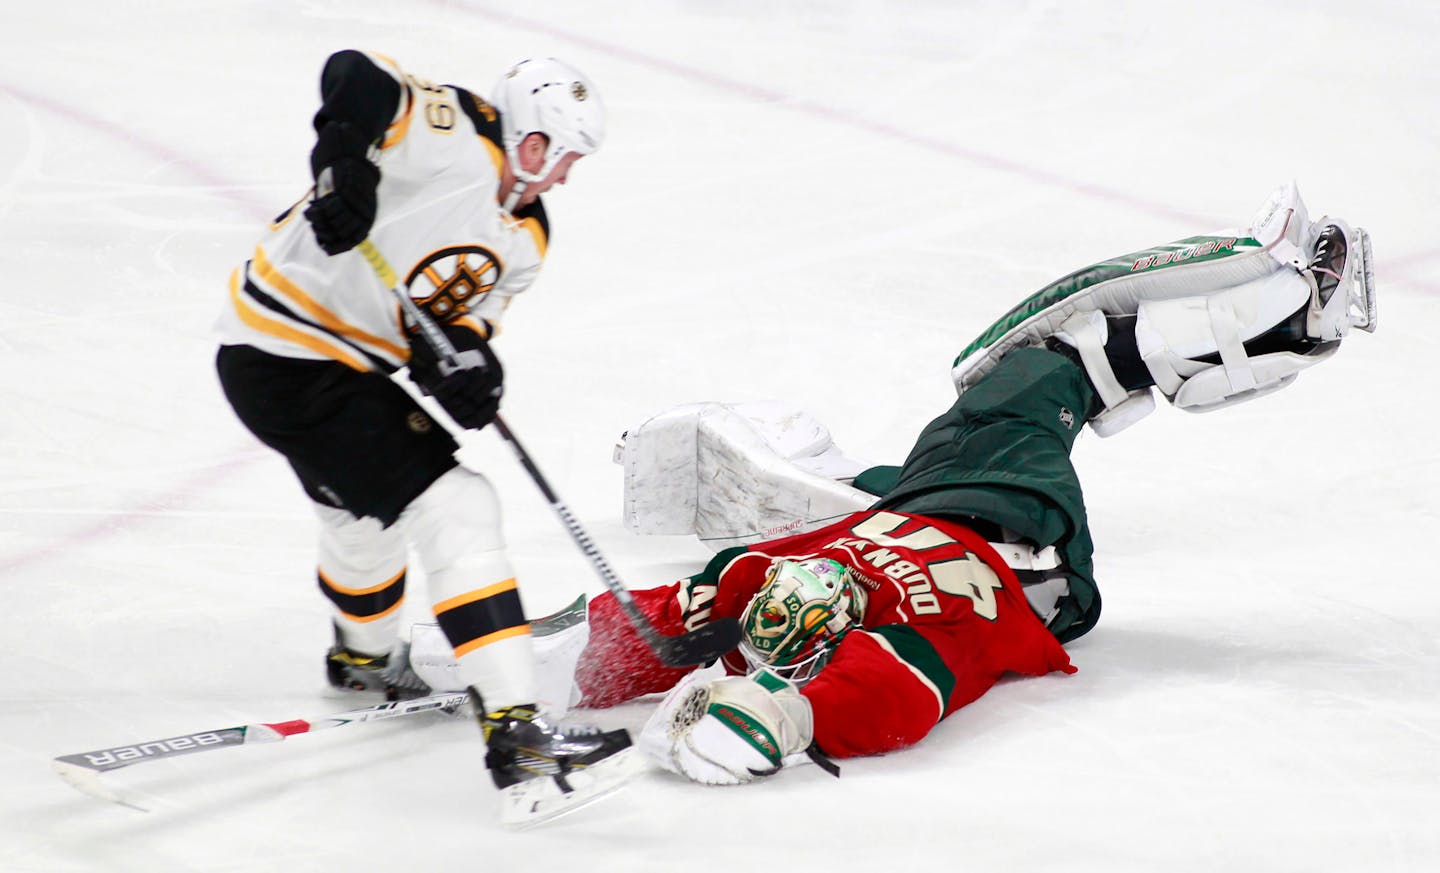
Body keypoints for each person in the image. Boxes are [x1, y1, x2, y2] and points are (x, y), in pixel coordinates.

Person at [570, 183, 1377, 784]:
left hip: (921, 500)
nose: (826, 583)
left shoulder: (759, 589)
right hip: (1013, 534)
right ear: (830, 640)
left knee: (918, 451)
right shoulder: (915, 633)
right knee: (1068, 359)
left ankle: (1265, 318)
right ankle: (1298, 311)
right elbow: (896, 697)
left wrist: (526, 652)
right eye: (830, 604)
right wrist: (787, 717)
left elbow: (652, 626)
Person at [212, 49, 634, 816]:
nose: (564, 175)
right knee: (458, 506)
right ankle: (517, 730)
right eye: (561, 154)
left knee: (361, 512)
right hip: (285, 353)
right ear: (528, 136)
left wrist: (472, 368)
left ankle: (364, 659)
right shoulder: (454, 135)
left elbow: (449, 328)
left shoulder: (528, 236)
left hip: (330, 369)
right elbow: (354, 76)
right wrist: (345, 164)